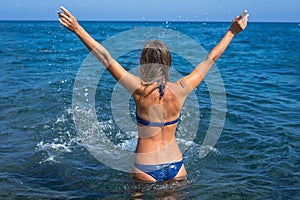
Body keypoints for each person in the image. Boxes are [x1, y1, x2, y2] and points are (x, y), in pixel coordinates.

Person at [58, 6, 249, 182]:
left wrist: (77, 29)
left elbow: (105, 57)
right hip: (177, 166)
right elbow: (210, 59)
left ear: (143, 62)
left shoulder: (140, 90)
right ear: (168, 62)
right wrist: (232, 32)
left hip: (146, 168)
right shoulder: (182, 88)